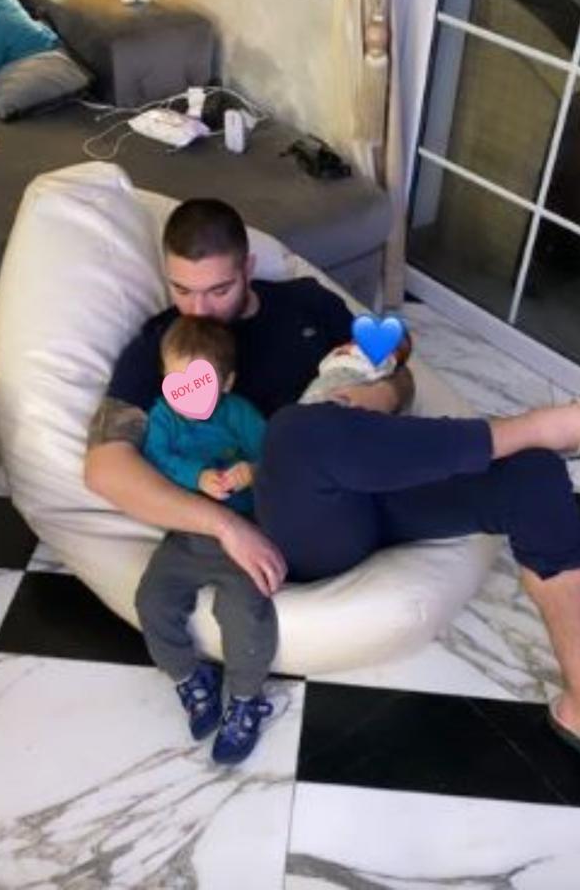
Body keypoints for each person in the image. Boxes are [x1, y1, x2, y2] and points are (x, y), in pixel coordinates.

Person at [85, 198, 580, 821]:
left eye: (217, 289)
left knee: (533, 477)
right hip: (294, 530)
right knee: (295, 432)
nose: (198, 309)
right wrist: (224, 525)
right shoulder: (164, 346)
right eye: (182, 289)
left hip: (382, 488)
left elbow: (397, 375)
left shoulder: (305, 304)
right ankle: (547, 425)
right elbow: (105, 467)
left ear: (246, 268)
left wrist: (371, 399)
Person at [137, 312, 413, 763]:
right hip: (189, 534)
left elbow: (281, 457)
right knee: (153, 599)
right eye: (176, 384)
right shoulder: (163, 418)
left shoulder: (240, 415)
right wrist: (197, 475)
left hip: (248, 535)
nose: (186, 397)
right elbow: (156, 458)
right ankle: (189, 677)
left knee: (244, 613)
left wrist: (252, 471)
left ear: (226, 383)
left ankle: (246, 699)